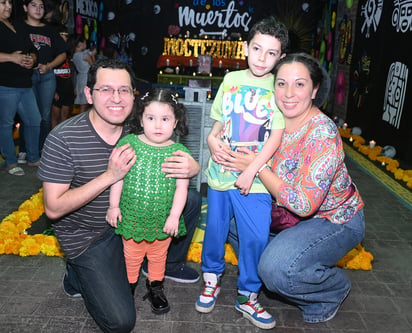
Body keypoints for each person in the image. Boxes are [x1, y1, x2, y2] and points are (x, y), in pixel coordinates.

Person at [38, 59, 201, 332]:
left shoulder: (138, 127)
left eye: (124, 90)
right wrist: (109, 176)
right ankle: (77, 275)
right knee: (120, 321)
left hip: (132, 219)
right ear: (89, 94)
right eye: (106, 89)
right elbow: (53, 208)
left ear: (133, 95)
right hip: (89, 237)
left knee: (191, 201)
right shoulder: (63, 138)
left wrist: (191, 167)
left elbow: (174, 156)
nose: (116, 98)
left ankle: (165, 265)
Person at [224, 53, 366, 324]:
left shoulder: (321, 133)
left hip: (334, 219)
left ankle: (332, 289)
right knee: (235, 222)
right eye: (281, 84)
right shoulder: (270, 118)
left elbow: (304, 203)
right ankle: (285, 260)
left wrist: (256, 165)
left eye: (299, 84)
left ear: (314, 90)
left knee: (277, 269)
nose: (289, 93)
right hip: (288, 217)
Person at [195, 17, 289, 330]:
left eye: (271, 53)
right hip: (221, 173)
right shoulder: (231, 78)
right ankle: (211, 278)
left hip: (256, 179)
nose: (262, 57)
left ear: (281, 58)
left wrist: (252, 170)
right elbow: (219, 122)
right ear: (246, 47)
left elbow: (276, 135)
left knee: (255, 236)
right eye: (257, 48)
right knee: (215, 230)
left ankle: (248, 294)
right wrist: (211, 138)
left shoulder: (278, 87)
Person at [106, 88, 190, 315]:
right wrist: (113, 206)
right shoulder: (130, 143)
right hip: (132, 216)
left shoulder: (179, 152)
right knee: (131, 257)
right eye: (151, 118)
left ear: (176, 122)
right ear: (141, 118)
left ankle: (155, 287)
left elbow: (182, 188)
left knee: (157, 256)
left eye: (165, 119)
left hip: (162, 221)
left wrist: (174, 215)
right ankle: (128, 288)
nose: (158, 125)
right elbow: (117, 178)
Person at [15, 0, 67, 163]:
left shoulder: (50, 30)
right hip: (25, 76)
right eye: (34, 5)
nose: (38, 9)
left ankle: (41, 149)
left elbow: (63, 54)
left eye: (41, 6)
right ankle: (24, 149)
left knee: (44, 116)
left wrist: (49, 66)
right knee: (28, 115)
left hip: (46, 76)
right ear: (25, 8)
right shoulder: (16, 27)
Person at [0, 0, 41, 176]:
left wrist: (32, 58)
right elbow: (11, 55)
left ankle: (33, 158)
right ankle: (10, 161)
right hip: (5, 84)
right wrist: (11, 57)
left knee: (34, 120)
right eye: (2, 2)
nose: (8, 6)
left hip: (25, 83)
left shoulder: (17, 25)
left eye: (9, 2)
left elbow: (32, 49)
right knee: (6, 124)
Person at [51, 26, 74, 128]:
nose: (64, 37)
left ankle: (63, 141)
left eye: (66, 35)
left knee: (65, 117)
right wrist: (53, 90)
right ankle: (53, 140)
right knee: (54, 116)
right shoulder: (51, 52)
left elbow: (72, 72)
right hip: (56, 87)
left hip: (67, 87)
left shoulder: (69, 51)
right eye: (62, 35)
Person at [71, 34, 96, 113]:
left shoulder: (74, 56)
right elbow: (93, 66)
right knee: (85, 103)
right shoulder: (84, 55)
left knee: (83, 103)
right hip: (86, 78)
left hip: (80, 79)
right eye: (84, 42)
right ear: (80, 44)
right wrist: (93, 56)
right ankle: (83, 121)